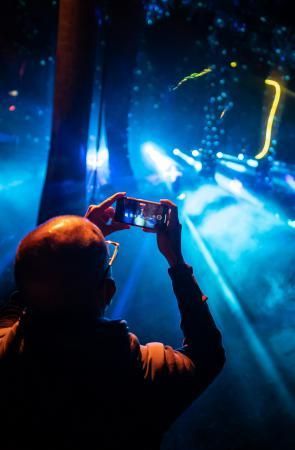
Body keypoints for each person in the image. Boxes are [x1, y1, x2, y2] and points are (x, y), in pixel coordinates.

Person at [0, 192, 225, 450]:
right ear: (108, 291)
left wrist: (75, 241)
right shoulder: (145, 375)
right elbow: (207, 354)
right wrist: (177, 262)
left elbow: (15, 309)